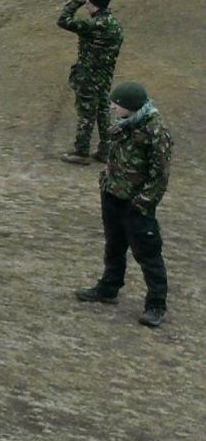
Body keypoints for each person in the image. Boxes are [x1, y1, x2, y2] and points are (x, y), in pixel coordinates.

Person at [75, 82, 173, 328]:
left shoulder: (155, 131)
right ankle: (109, 287)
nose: (112, 107)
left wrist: (143, 202)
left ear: (129, 106)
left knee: (148, 254)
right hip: (113, 197)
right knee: (114, 245)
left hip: (136, 204)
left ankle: (156, 305)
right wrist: (106, 184)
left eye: (115, 104)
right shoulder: (123, 125)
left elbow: (159, 175)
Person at [58, 0, 123, 164]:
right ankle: (105, 150)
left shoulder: (94, 25)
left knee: (86, 112)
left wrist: (77, 0)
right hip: (105, 76)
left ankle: (81, 152)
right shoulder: (114, 24)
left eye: (88, 4)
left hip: (88, 76)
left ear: (94, 5)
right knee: (102, 111)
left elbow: (63, 20)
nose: (86, 7)